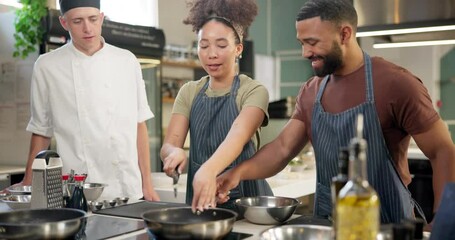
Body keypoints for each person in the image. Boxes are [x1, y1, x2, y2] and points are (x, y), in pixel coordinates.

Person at [215, 0, 455, 226]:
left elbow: (442, 150)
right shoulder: (311, 91)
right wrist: (237, 173)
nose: (305, 53)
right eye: (302, 43)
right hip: (329, 225)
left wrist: (443, 221)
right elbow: (282, 149)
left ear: (345, 34)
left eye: (313, 42)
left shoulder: (397, 84)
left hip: (388, 226)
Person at [9, 0, 160, 201]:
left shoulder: (127, 61)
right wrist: (28, 180)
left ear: (102, 18)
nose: (87, 28)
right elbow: (41, 130)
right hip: (78, 187)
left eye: (93, 19)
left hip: (127, 187)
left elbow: (139, 125)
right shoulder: (47, 66)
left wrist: (147, 185)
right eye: (78, 21)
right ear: (64, 22)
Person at [160, 0, 273, 212]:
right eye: (203, 46)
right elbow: (169, 144)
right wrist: (172, 153)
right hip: (202, 204)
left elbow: (237, 137)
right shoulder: (189, 92)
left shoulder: (253, 91)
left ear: (238, 48)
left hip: (249, 207)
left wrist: (208, 170)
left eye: (221, 45)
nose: (211, 54)